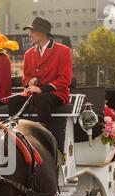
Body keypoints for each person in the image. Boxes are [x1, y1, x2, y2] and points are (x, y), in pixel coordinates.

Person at [22, 17, 72, 151]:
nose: (29, 35)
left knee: (44, 99)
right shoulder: (28, 54)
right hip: (35, 92)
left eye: (32, 31)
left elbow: (65, 79)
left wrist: (42, 89)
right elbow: (25, 77)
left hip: (56, 93)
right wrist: (29, 81)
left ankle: (44, 140)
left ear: (41, 33)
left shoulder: (63, 51)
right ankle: (18, 138)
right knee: (15, 100)